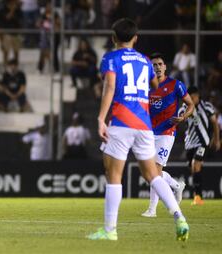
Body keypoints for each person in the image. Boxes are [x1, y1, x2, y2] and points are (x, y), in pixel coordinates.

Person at [88, 18, 189, 241]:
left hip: (122, 121)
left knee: (114, 175)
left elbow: (110, 86)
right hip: (144, 125)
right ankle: (179, 217)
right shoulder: (145, 61)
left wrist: (101, 118)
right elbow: (155, 85)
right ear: (136, 38)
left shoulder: (111, 58)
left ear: (113, 38)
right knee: (153, 174)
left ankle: (110, 230)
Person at [141, 53, 195, 218]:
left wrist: (183, 117)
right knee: (150, 171)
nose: (157, 67)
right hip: (149, 132)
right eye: (154, 65)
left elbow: (191, 104)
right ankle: (176, 186)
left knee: (155, 172)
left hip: (166, 133)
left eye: (160, 64)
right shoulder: (146, 86)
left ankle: (152, 210)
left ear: (165, 67)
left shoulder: (175, 85)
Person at [181, 86, 220, 205]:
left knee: (195, 165)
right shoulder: (184, 107)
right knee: (192, 169)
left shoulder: (206, 106)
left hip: (203, 142)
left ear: (198, 96)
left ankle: (198, 197)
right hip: (189, 143)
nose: (192, 100)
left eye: (193, 97)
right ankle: (197, 194)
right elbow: (181, 118)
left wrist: (216, 139)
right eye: (190, 97)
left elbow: (214, 124)